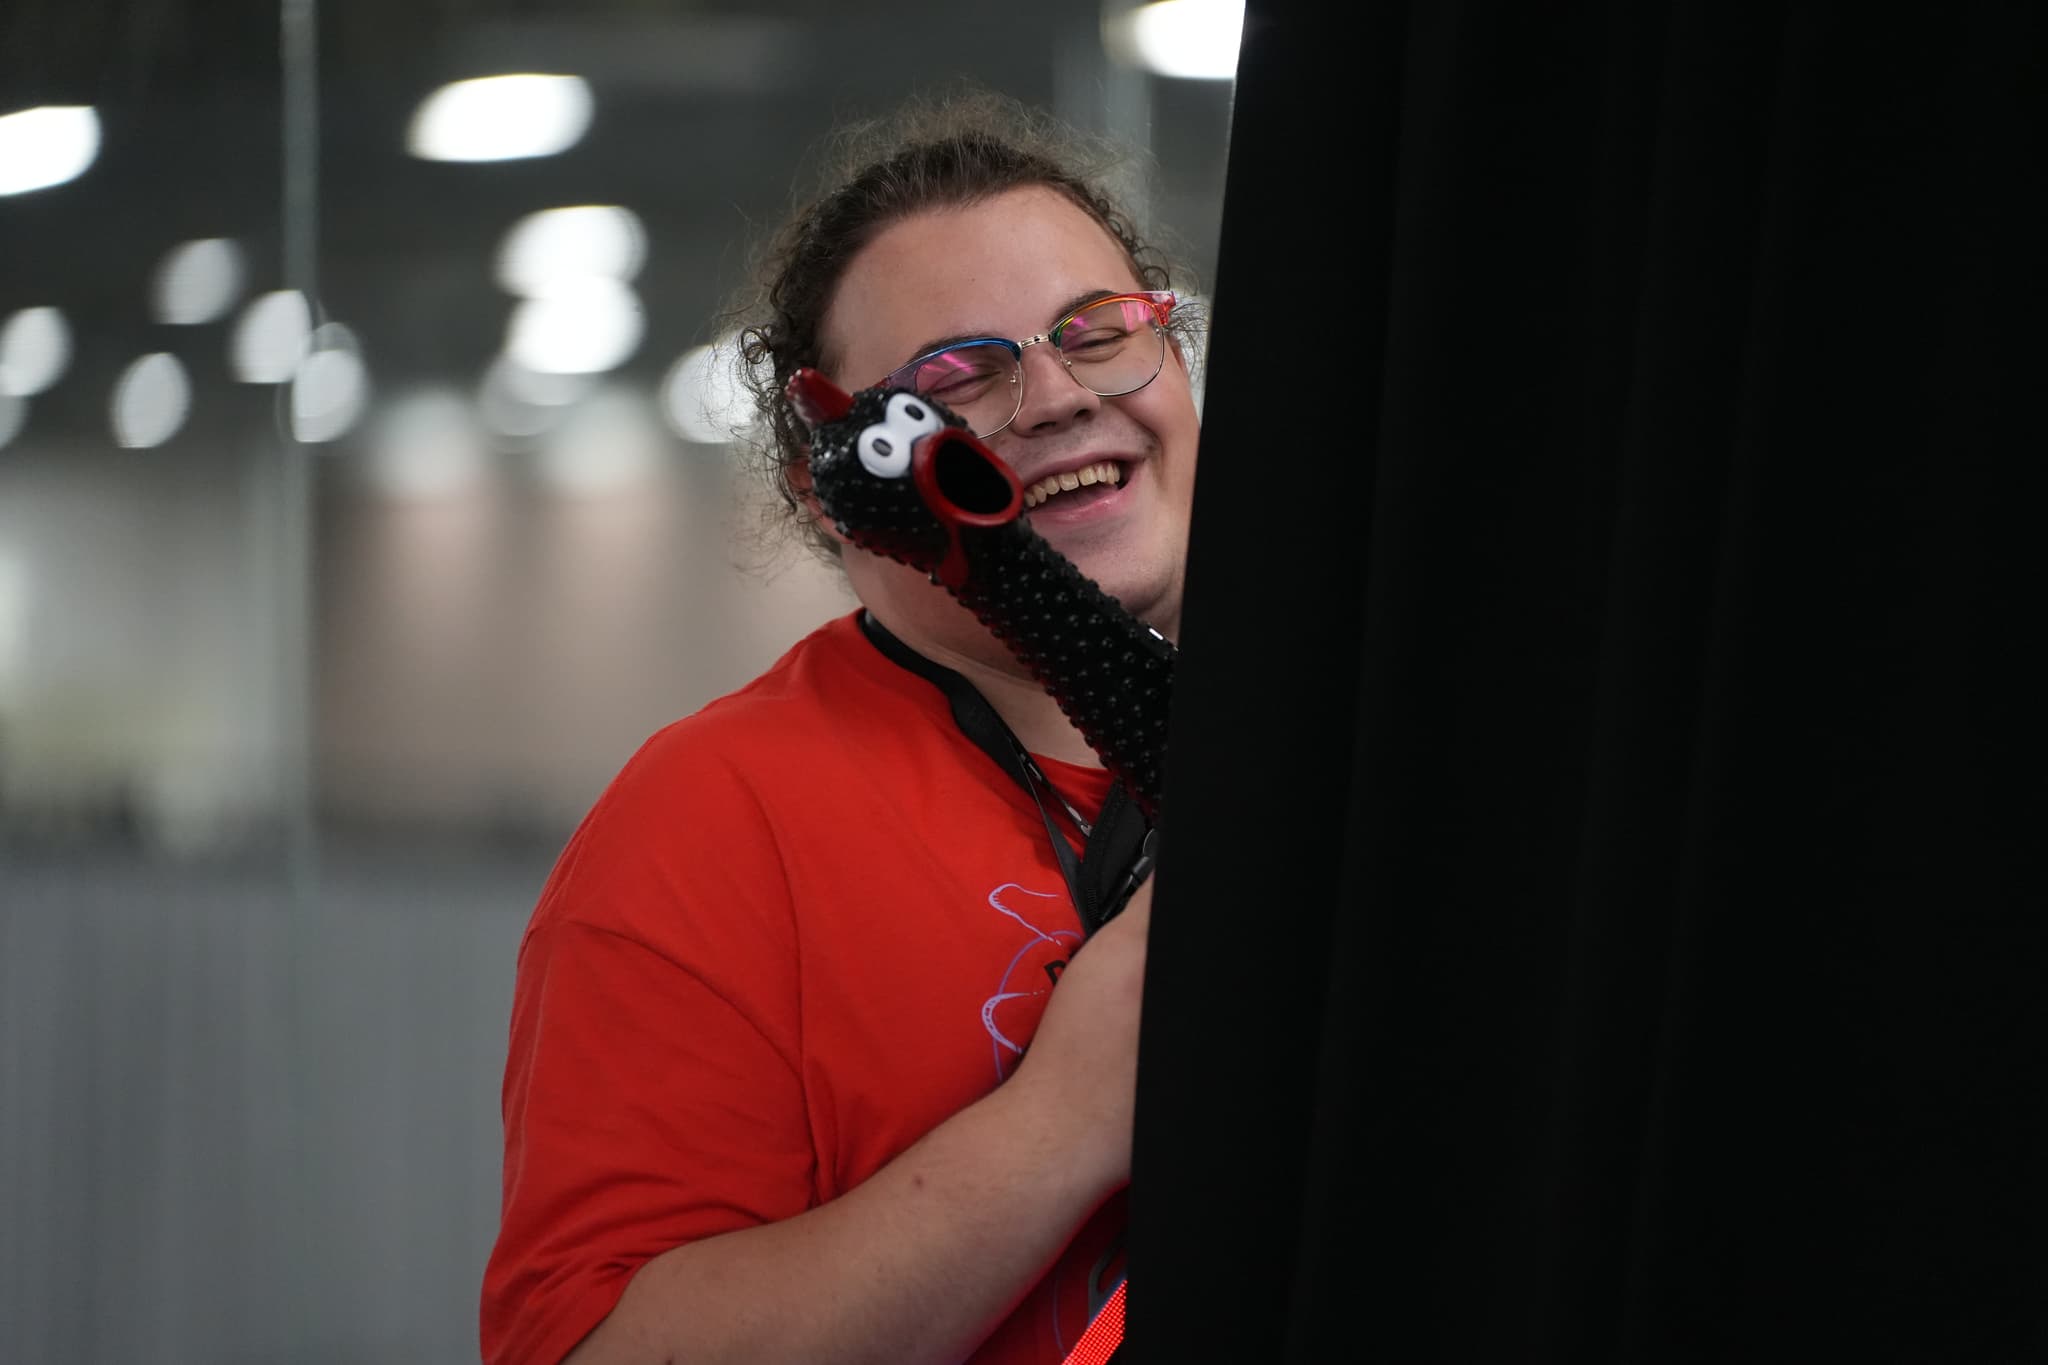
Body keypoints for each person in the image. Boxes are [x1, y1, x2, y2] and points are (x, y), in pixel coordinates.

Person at [480, 88, 1206, 1365]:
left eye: (1095, 332)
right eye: (957, 377)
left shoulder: (1360, 748)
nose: (1050, 399)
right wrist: (1063, 1122)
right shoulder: (713, 819)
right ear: (828, 492)